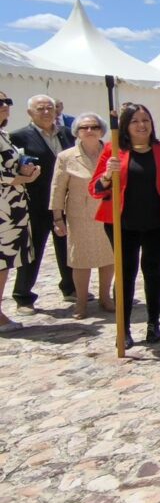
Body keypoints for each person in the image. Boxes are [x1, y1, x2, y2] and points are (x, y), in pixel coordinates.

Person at [89, 105, 160, 347]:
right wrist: (107, 175)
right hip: (122, 223)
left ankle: (153, 324)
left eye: (146, 120)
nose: (142, 125)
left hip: (157, 222)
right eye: (135, 121)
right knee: (125, 273)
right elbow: (95, 189)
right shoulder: (113, 150)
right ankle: (124, 328)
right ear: (125, 125)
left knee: (153, 271)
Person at [11, 95, 75, 313]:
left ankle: (70, 287)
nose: (46, 112)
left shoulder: (67, 133)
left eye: (50, 108)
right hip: (36, 203)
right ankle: (23, 296)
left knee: (67, 247)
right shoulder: (19, 137)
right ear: (30, 112)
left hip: (65, 201)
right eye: (41, 108)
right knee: (33, 250)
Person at [49, 112, 114, 319]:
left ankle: (105, 297)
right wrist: (57, 218)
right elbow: (58, 188)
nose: (89, 130)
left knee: (108, 257)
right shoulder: (66, 156)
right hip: (80, 216)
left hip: (107, 212)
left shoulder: (112, 152)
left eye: (94, 127)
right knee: (80, 260)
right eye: (84, 127)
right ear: (76, 131)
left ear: (102, 130)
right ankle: (81, 301)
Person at [0, 90, 38, 332]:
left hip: (12, 207)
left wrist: (25, 170)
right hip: (2, 210)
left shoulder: (3, 135)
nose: (4, 105)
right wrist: (24, 179)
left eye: (7, 101)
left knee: (4, 263)